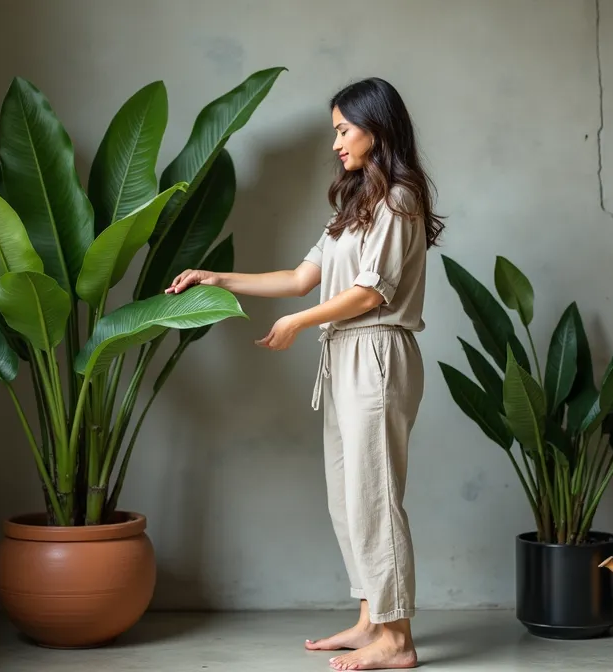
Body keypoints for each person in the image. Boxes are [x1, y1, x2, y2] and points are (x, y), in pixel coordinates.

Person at [167, 76, 444, 671]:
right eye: (334, 132)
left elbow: (370, 293)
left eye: (344, 130)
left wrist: (298, 322)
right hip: (343, 352)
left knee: (374, 495)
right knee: (348, 496)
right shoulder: (356, 203)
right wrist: (217, 277)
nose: (336, 143)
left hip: (376, 351)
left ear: (376, 128)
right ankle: (371, 620)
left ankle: (397, 638)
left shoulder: (399, 199)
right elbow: (299, 278)